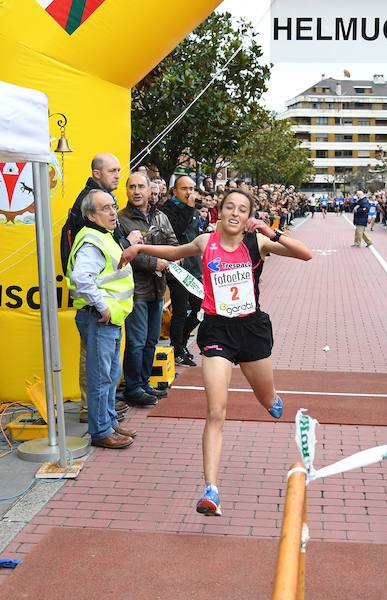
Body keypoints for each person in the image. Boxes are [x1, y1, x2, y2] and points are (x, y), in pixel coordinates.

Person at [118, 190, 313, 516]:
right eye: (229, 207)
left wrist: (270, 231)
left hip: (251, 331)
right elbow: (175, 251)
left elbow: (305, 254)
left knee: (266, 399)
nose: (235, 213)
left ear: (249, 214)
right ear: (219, 211)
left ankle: (271, 399)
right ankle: (211, 490)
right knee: (216, 411)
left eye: (242, 209)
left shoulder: (257, 243)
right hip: (217, 332)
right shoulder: (205, 241)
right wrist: (139, 247)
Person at [60, 153, 140, 424]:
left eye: (113, 207)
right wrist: (102, 305)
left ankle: (107, 422)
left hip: (109, 312)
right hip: (98, 311)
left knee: (107, 372)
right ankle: (99, 423)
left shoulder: (100, 224)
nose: (118, 175)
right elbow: (83, 275)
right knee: (98, 371)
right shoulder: (91, 227)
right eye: (112, 170)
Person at [117, 173, 178, 407]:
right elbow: (126, 255)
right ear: (126, 190)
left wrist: (172, 261)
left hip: (158, 288)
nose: (136, 191)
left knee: (152, 339)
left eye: (141, 186)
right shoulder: (121, 220)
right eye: (132, 186)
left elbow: (173, 244)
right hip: (135, 289)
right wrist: (156, 263)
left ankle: (143, 383)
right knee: (136, 341)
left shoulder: (161, 217)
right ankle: (132, 387)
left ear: (150, 190)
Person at [161, 176, 202, 367]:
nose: (189, 193)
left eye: (192, 188)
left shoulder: (193, 210)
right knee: (180, 311)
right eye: (184, 188)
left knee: (200, 308)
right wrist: (188, 209)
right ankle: (177, 349)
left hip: (194, 267)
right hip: (177, 269)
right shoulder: (168, 210)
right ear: (174, 191)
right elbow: (176, 232)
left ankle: (182, 343)